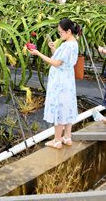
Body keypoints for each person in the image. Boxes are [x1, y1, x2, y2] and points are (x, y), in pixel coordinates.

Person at [28, 18, 79, 149]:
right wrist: (54, 49)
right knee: (68, 106)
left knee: (59, 107)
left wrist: (38, 53)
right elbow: (60, 58)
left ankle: (57, 140)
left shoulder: (67, 45)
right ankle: (67, 137)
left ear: (68, 31)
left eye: (61, 32)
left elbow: (56, 63)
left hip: (60, 81)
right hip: (68, 79)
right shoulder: (73, 43)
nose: (59, 35)